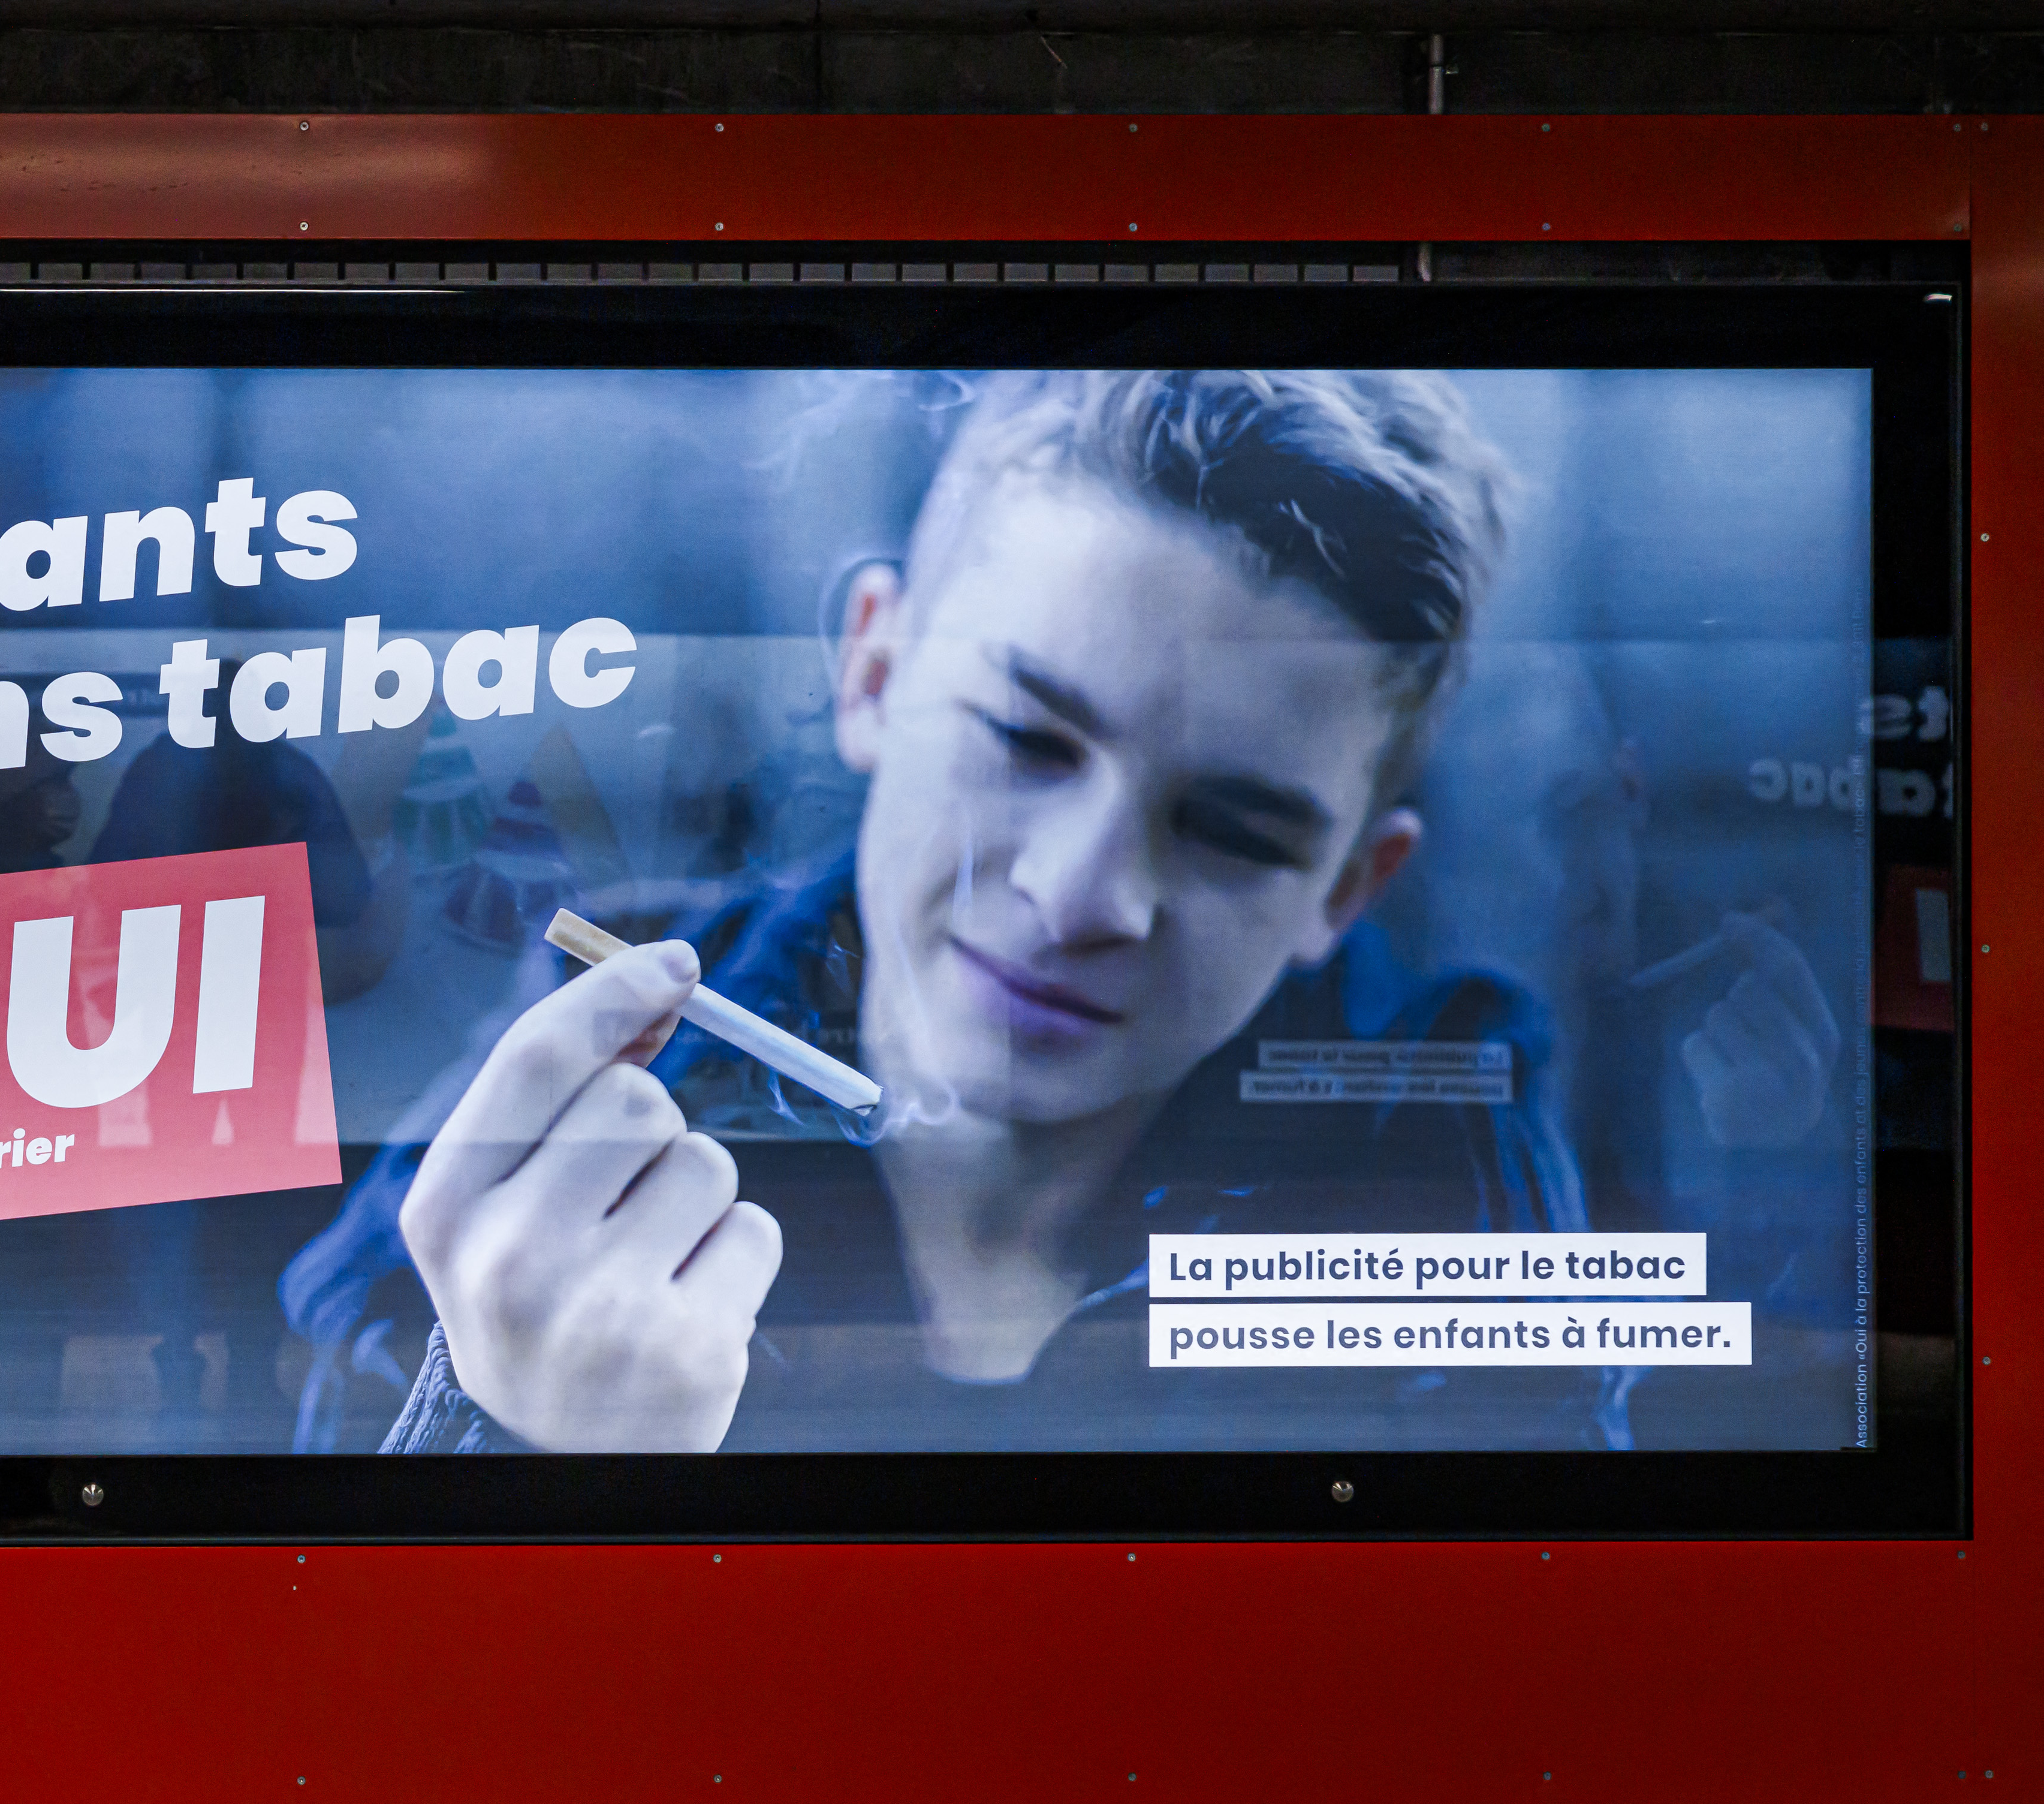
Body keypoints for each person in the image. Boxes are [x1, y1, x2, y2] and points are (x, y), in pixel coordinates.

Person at [338, 369, 1612, 1454]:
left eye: (1229, 830)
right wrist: (496, 1418)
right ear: (873, 671)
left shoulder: (1429, 1110)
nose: (1078, 894)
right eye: (1022, 739)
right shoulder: (606, 1051)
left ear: (1343, 888)